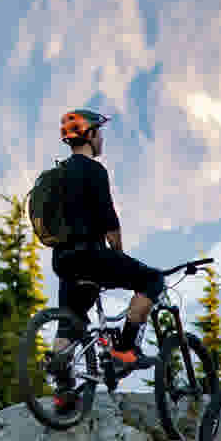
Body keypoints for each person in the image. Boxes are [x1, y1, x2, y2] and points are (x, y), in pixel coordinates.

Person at [45, 109, 166, 408]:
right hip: (91, 254)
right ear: (90, 135)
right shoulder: (93, 170)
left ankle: (63, 393)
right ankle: (124, 350)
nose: (102, 139)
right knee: (152, 279)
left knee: (70, 322)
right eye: (99, 133)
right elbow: (109, 222)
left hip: (62, 259)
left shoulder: (57, 173)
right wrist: (120, 257)